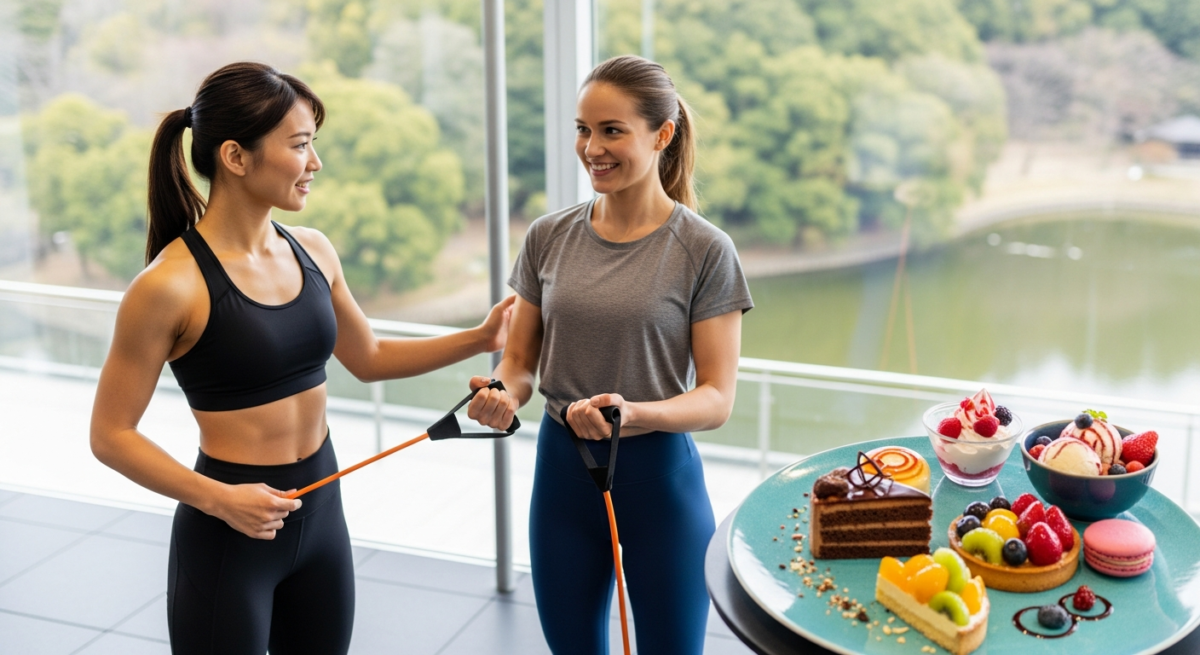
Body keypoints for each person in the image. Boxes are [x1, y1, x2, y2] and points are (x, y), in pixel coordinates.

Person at [89, 62, 513, 655]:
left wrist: (478, 336)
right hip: (230, 532)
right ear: (236, 157)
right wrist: (218, 499)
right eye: (300, 145)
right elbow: (110, 434)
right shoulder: (168, 286)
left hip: (323, 512)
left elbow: (369, 357)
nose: (315, 163)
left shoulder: (312, 250)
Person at [468, 55, 754, 655]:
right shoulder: (548, 235)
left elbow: (716, 398)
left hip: (659, 483)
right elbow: (518, 363)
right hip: (561, 477)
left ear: (662, 134)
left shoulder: (705, 250)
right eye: (583, 129)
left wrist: (635, 413)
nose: (592, 147)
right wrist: (501, 395)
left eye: (612, 130)